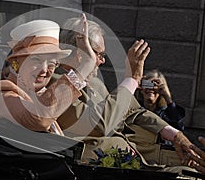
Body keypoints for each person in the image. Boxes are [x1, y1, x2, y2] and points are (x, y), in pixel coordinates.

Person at [55, 17, 197, 172]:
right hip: (98, 168)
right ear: (80, 52)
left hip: (137, 156)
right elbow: (100, 124)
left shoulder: (96, 83)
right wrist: (131, 80)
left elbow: (131, 110)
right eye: (99, 54)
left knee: (194, 166)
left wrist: (174, 134)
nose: (102, 61)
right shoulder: (56, 83)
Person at [0, 15, 96, 135]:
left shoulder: (43, 95)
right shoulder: (2, 93)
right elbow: (38, 118)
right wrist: (86, 65)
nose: (44, 70)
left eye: (51, 63)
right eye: (36, 60)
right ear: (16, 62)